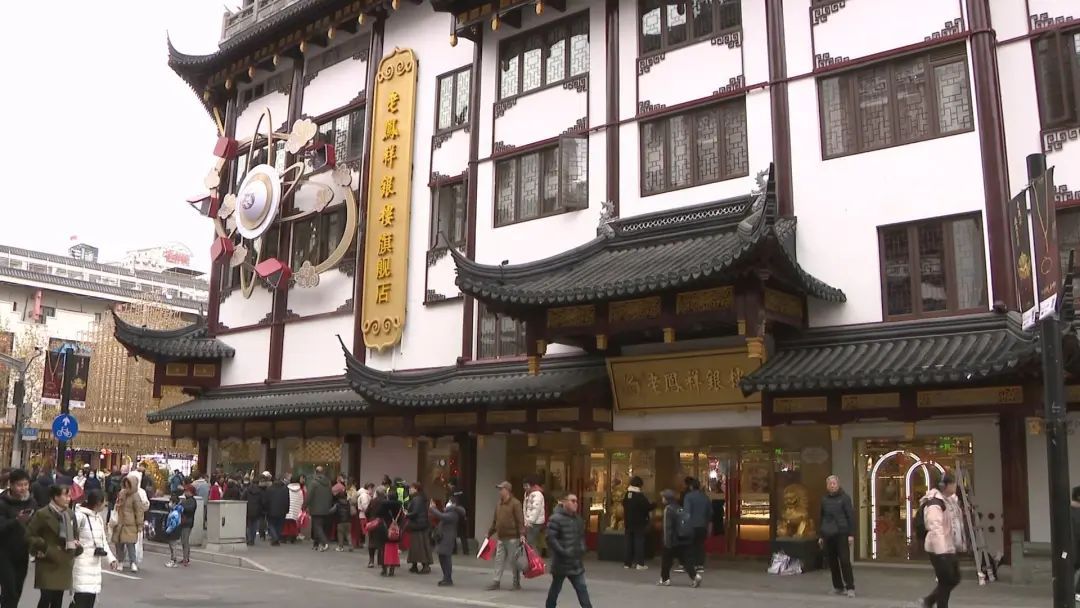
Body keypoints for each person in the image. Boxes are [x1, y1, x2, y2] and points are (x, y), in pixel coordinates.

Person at [26, 484, 79, 608]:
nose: (68, 499)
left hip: (63, 561)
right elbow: (29, 534)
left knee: (57, 599)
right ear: (55, 497)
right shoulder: (42, 514)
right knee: (46, 597)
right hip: (47, 560)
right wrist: (43, 547)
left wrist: (76, 543)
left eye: (69, 496)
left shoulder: (70, 514)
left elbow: (76, 534)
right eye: (65, 496)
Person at [919, 474, 964, 608]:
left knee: (954, 578)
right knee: (946, 581)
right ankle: (936, 604)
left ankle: (929, 600)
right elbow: (935, 528)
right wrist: (942, 552)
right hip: (938, 548)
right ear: (945, 485)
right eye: (953, 483)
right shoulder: (935, 503)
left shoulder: (949, 501)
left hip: (949, 546)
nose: (955, 486)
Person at [71, 489, 117, 608]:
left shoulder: (98, 518)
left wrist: (111, 559)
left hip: (95, 564)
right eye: (104, 501)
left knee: (90, 599)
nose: (105, 504)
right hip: (81, 563)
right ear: (98, 503)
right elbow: (69, 535)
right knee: (80, 599)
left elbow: (103, 542)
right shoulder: (80, 516)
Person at [545, 494, 592, 608]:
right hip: (561, 562)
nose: (575, 503)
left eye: (576, 501)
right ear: (564, 502)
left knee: (582, 588)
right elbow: (551, 539)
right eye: (572, 501)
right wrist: (563, 551)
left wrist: (582, 548)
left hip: (575, 561)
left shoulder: (578, 519)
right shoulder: (555, 519)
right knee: (556, 588)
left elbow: (581, 536)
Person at [0, 468, 37, 608]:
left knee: (17, 590)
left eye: (26, 484)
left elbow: (37, 524)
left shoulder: (31, 502)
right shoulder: (2, 502)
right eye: (19, 485)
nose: (23, 488)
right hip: (4, 553)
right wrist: (16, 520)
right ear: (11, 484)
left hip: (22, 552)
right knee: (9, 591)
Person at [819, 475, 856, 597]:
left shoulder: (845, 498)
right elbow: (822, 517)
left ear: (838, 484)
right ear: (827, 486)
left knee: (845, 561)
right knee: (832, 562)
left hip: (842, 533)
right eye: (830, 484)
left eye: (834, 483)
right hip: (828, 534)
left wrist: (851, 534)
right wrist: (821, 535)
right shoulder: (824, 500)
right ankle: (838, 586)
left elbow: (850, 516)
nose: (832, 485)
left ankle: (850, 587)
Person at [485, 481, 526, 591]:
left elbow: (520, 520)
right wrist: (489, 533)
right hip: (501, 537)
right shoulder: (499, 504)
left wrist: (522, 534)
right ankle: (496, 581)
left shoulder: (515, 503)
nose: (500, 491)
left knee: (513, 560)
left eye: (501, 489)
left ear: (507, 490)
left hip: (513, 537)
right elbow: (495, 521)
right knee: (498, 560)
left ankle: (516, 582)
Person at [657, 489, 700, 588]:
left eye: (663, 497)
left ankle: (665, 579)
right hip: (683, 538)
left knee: (666, 560)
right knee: (686, 560)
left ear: (667, 499)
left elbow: (667, 527)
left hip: (673, 540)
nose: (662, 499)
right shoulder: (679, 508)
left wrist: (666, 542)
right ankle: (695, 576)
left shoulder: (668, 509)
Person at [113, 473, 147, 572]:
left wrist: (139, 525)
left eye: (129, 484)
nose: (127, 486)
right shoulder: (121, 493)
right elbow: (117, 506)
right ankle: (120, 561)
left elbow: (139, 511)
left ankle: (133, 562)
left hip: (130, 524)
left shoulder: (136, 496)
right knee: (119, 544)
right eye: (126, 483)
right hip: (120, 523)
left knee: (130, 544)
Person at [430, 497, 465, 586]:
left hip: (448, 538)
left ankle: (448, 578)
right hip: (443, 537)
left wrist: (433, 509)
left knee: (446, 558)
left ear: (454, 504)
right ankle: (446, 577)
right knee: (442, 557)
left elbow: (442, 516)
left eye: (450, 502)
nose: (448, 503)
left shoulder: (454, 513)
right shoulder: (449, 511)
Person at [681, 477, 711, 573]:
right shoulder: (705, 497)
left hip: (691, 525)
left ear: (691, 487)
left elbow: (687, 512)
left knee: (689, 545)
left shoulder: (688, 497)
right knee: (700, 545)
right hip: (702, 525)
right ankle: (700, 565)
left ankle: (690, 564)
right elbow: (709, 513)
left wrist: (683, 524)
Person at [622, 476, 652, 570]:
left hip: (628, 522)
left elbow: (624, 505)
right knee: (639, 542)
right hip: (639, 523)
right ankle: (639, 563)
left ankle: (627, 563)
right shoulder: (639, 496)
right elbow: (647, 506)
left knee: (628, 543)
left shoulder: (627, 495)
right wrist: (655, 504)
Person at [404, 482, 432, 573]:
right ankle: (415, 565)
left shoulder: (417, 499)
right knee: (418, 546)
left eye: (411, 488)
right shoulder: (420, 498)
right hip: (421, 525)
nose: (409, 490)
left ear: (416, 489)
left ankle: (424, 565)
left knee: (418, 546)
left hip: (417, 525)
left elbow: (415, 512)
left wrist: (406, 514)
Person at [376, 484, 404, 577]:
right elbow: (402, 517)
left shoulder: (384, 504)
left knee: (384, 549)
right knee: (394, 550)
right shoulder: (400, 505)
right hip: (395, 530)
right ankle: (392, 570)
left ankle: (384, 570)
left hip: (385, 528)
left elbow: (378, 513)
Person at [305, 467, 333, 551]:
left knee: (317, 526)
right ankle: (316, 544)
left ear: (315, 472)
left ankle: (324, 543)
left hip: (315, 508)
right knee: (320, 526)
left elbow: (309, 496)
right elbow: (330, 496)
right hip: (326, 508)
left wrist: (305, 505)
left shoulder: (313, 483)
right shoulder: (328, 483)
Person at [366, 486, 387, 569]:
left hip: (373, 522)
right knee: (382, 543)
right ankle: (381, 561)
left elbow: (367, 512)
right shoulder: (386, 501)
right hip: (382, 523)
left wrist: (370, 519)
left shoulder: (373, 501)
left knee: (372, 541)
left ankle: (371, 561)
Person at [243, 473, 267, 545]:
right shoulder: (260, 492)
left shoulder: (247, 490)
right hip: (257, 510)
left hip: (248, 509)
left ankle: (249, 538)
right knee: (254, 525)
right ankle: (252, 539)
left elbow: (243, 498)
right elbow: (263, 502)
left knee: (248, 525)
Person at [524, 476, 546, 551]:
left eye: (526, 485)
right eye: (524, 485)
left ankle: (534, 557)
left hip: (535, 523)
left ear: (532, 485)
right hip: (530, 522)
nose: (525, 487)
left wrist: (529, 521)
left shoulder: (537, 494)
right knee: (530, 543)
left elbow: (535, 509)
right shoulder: (528, 493)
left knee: (531, 543)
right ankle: (532, 557)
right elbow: (526, 508)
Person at [448, 477, 469, 555]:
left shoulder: (452, 492)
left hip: (455, 514)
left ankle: (454, 550)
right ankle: (466, 551)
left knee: (453, 532)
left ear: (450, 484)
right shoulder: (462, 491)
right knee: (463, 534)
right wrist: (466, 514)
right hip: (462, 514)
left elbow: (451, 504)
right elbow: (466, 503)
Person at [265, 476, 288, 546]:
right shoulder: (285, 489)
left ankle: (275, 538)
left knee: (271, 524)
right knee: (279, 525)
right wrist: (287, 509)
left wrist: (266, 509)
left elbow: (266, 501)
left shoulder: (269, 489)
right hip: (282, 511)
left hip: (271, 510)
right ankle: (276, 538)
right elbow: (287, 500)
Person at [283, 474, 305, 544]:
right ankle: (292, 537)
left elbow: (285, 498)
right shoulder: (300, 490)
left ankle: (284, 537)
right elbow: (301, 501)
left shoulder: (287, 489)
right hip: (295, 509)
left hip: (287, 508)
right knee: (293, 524)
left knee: (286, 524)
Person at [178, 485, 197, 566]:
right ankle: (185, 557)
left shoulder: (192, 501)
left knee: (185, 541)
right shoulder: (185, 500)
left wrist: (182, 507)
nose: (185, 493)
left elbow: (190, 509)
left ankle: (186, 558)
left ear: (191, 492)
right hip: (183, 522)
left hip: (188, 523)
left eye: (187, 491)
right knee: (183, 541)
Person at [332, 481, 352, 552]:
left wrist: (326, 511)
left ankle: (340, 547)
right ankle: (350, 545)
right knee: (348, 533)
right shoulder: (348, 503)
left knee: (340, 534)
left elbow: (332, 511)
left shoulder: (337, 504)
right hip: (348, 521)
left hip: (340, 521)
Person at [1072, 486, 1080, 602]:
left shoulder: (1065, 509)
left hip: (1066, 548)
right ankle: (1077, 592)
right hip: (1076, 546)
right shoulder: (1077, 513)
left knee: (1069, 569)